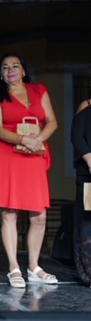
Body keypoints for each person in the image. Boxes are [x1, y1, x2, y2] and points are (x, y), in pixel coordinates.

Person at [0, 52, 58, 288]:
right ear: (0, 74)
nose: (11, 70)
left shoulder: (39, 90)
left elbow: (52, 121)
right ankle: (14, 267)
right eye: (5, 67)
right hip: (8, 154)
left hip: (34, 153)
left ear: (23, 71)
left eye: (15, 66)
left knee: (39, 214)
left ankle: (34, 267)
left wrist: (37, 140)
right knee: (9, 212)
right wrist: (24, 139)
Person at [71, 97, 91, 285]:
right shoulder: (87, 105)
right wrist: (89, 158)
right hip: (88, 172)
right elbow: (76, 136)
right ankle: (89, 271)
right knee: (87, 222)